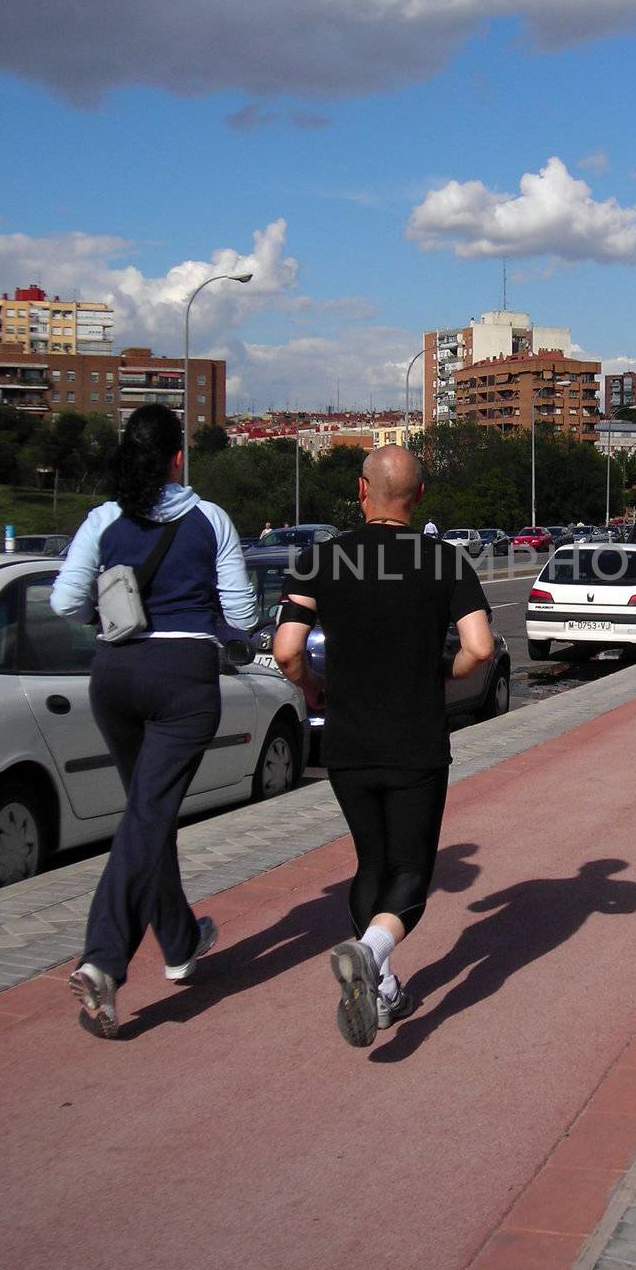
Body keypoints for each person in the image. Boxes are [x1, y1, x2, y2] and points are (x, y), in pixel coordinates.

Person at [273, 445, 492, 1047]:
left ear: (361, 491)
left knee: (372, 862)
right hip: (416, 738)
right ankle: (372, 953)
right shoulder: (443, 562)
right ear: (419, 496)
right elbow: (479, 650)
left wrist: (314, 687)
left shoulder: (321, 559)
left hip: (346, 740)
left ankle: (384, 987)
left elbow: (287, 650)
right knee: (412, 872)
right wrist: (438, 675)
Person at [50, 403, 257, 1038]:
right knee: (148, 815)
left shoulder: (104, 518)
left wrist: (109, 618)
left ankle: (180, 940)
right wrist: (220, 629)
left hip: (114, 678)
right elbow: (244, 617)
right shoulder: (209, 518)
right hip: (183, 684)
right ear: (176, 458)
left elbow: (64, 600)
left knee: (148, 811)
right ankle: (103, 960)